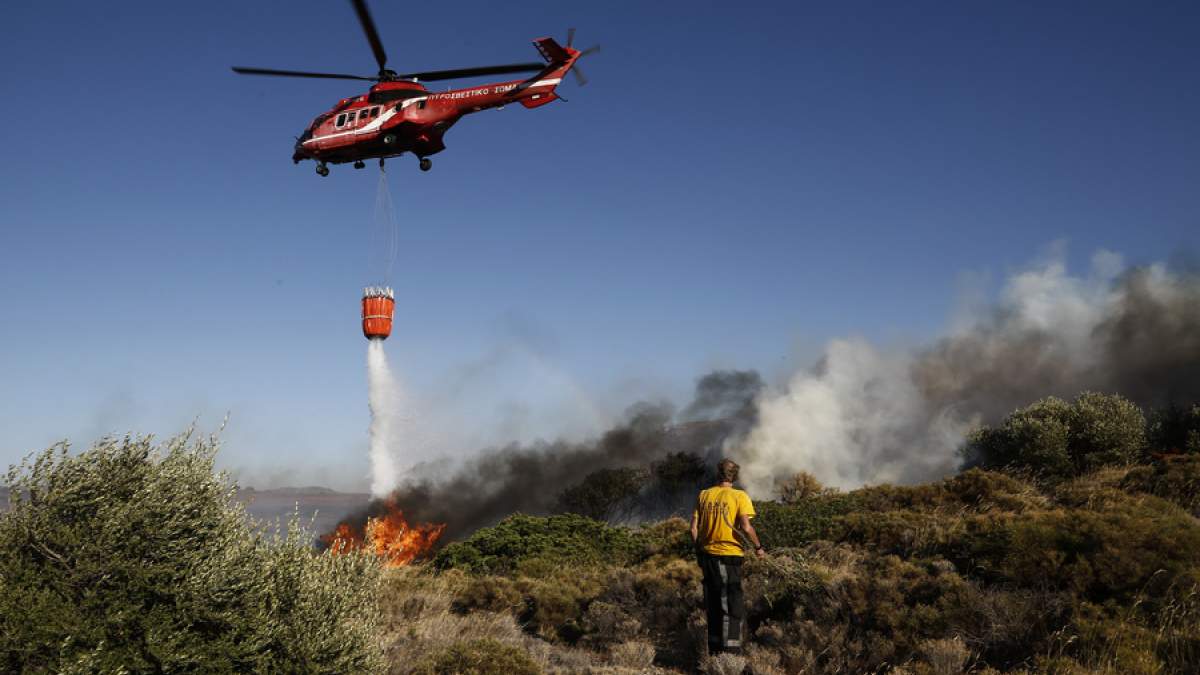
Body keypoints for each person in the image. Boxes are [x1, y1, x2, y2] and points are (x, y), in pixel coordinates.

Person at [691, 458, 765, 655]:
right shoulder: (740, 496)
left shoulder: (704, 495)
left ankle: (714, 652)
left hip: (707, 557)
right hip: (728, 557)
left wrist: (700, 550)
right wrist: (759, 547)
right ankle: (731, 655)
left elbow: (693, 529)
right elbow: (746, 527)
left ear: (718, 474)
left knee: (713, 604)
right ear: (735, 476)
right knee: (732, 605)